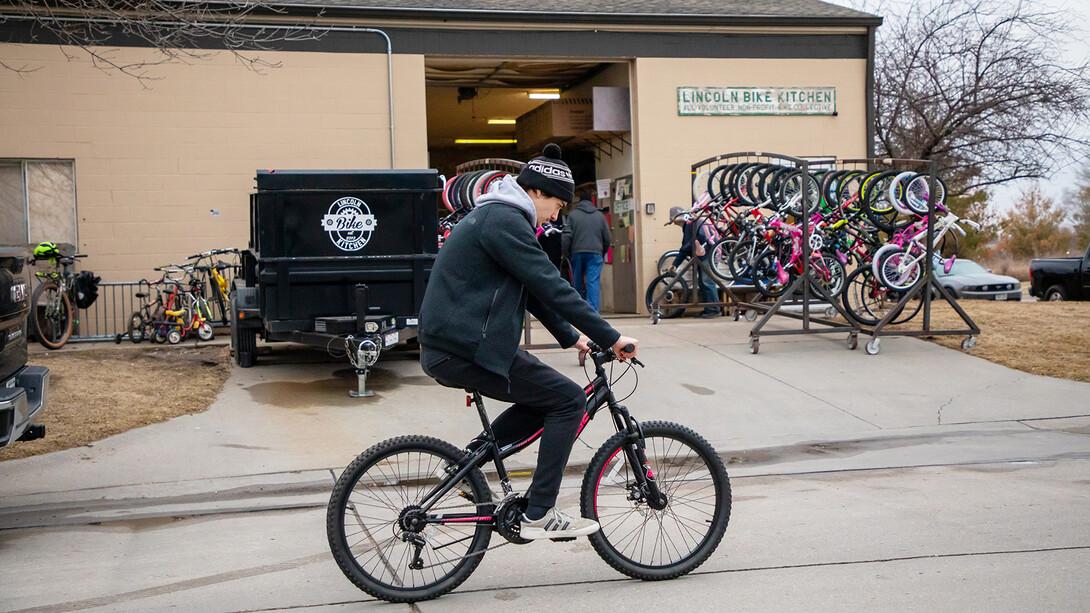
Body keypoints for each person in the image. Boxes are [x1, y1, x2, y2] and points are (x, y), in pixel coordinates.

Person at [418, 143, 639, 540]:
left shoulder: (500, 215)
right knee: (569, 400)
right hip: (465, 346)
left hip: (460, 344)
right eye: (557, 204)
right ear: (536, 191)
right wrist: (613, 336)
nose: (557, 215)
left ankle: (464, 466)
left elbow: (532, 288)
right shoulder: (503, 219)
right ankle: (541, 511)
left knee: (547, 399)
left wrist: (574, 338)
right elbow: (550, 285)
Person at [668, 205, 721, 318]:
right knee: (702, 282)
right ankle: (708, 309)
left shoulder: (691, 223)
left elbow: (693, 241)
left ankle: (714, 309)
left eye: (674, 220)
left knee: (707, 282)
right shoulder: (688, 225)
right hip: (704, 254)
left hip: (708, 254)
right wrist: (675, 264)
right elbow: (685, 246)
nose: (674, 224)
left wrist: (678, 259)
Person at [562, 191, 612, 311]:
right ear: (591, 202)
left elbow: (566, 236)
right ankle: (593, 313)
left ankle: (579, 311)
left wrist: (565, 254)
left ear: (580, 202)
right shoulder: (600, 216)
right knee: (592, 282)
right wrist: (602, 252)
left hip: (576, 253)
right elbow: (608, 238)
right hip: (595, 253)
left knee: (577, 282)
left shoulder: (573, 215)